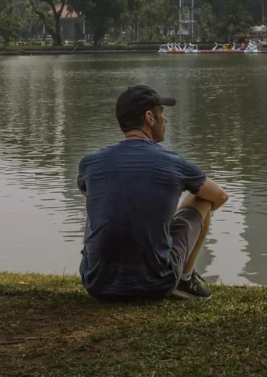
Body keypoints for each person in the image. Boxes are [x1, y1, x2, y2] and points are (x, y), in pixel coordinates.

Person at [77, 84, 228, 302]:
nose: (165, 121)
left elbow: (87, 194)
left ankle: (108, 268)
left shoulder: (90, 163)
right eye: (162, 114)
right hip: (156, 283)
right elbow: (220, 196)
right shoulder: (175, 164)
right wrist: (167, 218)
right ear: (149, 117)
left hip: (96, 283)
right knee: (203, 198)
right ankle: (184, 278)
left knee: (99, 199)